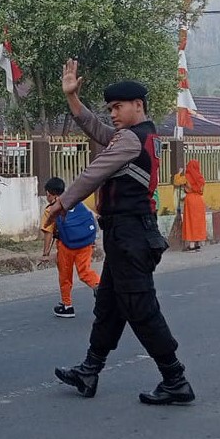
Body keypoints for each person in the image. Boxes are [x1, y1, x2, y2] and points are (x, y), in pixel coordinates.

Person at [47, 59, 195, 405]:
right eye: (109, 108)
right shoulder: (138, 136)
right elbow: (96, 129)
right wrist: (72, 98)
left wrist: (63, 203)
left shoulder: (130, 141)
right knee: (110, 306)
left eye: (118, 107)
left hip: (131, 235)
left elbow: (94, 172)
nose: (112, 113)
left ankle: (175, 378)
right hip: (124, 235)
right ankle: (89, 371)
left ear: (137, 105)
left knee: (141, 309)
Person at [40, 177, 100, 319]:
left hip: (66, 245)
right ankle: (99, 286)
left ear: (50, 194)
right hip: (85, 243)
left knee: (65, 276)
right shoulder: (75, 201)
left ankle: (67, 306)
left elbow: (48, 233)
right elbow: (89, 218)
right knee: (85, 271)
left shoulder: (51, 210)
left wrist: (45, 253)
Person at [181, 160, 207, 251]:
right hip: (199, 200)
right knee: (198, 221)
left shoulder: (186, 177)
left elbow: (176, 182)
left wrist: (179, 173)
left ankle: (191, 245)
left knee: (190, 221)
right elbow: (202, 189)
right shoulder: (200, 178)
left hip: (190, 200)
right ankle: (198, 243)